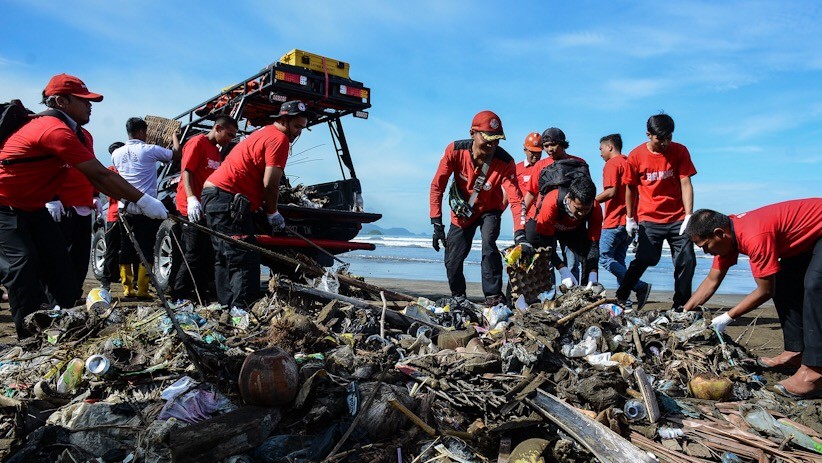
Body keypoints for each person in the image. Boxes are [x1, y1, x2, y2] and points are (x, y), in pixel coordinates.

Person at [0, 73, 167, 339]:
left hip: (32, 207)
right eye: (84, 100)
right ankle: (28, 338)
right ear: (60, 101)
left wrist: (127, 199)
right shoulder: (52, 129)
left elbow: (94, 177)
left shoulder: (78, 134)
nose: (90, 105)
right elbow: (101, 174)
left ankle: (64, 324)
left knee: (62, 268)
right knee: (23, 265)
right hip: (4, 205)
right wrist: (143, 200)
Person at [683, 201, 822, 399]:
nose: (706, 252)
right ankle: (795, 351)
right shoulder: (728, 236)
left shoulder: (754, 236)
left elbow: (765, 291)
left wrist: (726, 318)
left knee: (816, 286)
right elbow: (712, 281)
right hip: (810, 238)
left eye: (706, 246)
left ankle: (815, 373)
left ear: (719, 233)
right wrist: (684, 312)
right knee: (784, 283)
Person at [202, 100, 309, 309]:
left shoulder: (263, 132)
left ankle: (227, 307)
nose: (298, 133)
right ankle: (242, 310)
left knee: (224, 256)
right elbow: (270, 184)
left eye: (302, 128)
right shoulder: (279, 139)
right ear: (283, 120)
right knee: (245, 258)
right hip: (227, 197)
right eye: (296, 126)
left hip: (214, 195)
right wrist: (272, 212)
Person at [429, 110, 528, 305]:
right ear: (472, 133)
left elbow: (516, 199)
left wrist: (520, 235)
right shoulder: (455, 151)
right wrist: (436, 223)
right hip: (462, 214)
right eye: (488, 138)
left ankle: (492, 297)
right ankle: (459, 297)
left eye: (497, 140)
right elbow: (437, 186)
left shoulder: (505, 162)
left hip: (490, 209)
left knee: (489, 244)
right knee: (452, 260)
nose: (492, 144)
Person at [615, 113, 696, 309]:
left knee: (687, 261)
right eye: (661, 138)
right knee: (646, 258)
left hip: (677, 217)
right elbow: (630, 188)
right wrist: (630, 218)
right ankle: (622, 294)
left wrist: (689, 215)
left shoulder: (680, 151)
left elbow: (686, 182)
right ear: (649, 135)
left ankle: (680, 307)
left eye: (669, 137)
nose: (666, 142)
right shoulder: (635, 156)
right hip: (650, 218)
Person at [171, 116, 238, 302]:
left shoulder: (216, 152)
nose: (230, 139)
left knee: (206, 253)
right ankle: (179, 295)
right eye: (229, 134)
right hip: (189, 207)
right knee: (193, 253)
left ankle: (200, 294)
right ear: (217, 128)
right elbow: (187, 171)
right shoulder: (196, 143)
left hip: (206, 208)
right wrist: (192, 198)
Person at [112, 117, 181, 298]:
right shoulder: (149, 150)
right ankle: (142, 289)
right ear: (143, 132)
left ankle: (127, 288)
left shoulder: (116, 153)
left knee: (125, 247)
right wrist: (174, 137)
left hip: (124, 208)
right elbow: (176, 154)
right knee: (146, 247)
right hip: (146, 207)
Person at [523, 128, 587, 281]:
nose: (549, 149)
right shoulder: (540, 166)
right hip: (547, 219)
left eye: (553, 145)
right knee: (547, 259)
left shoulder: (578, 163)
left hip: (570, 222)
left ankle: (574, 292)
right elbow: (532, 192)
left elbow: (586, 194)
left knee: (573, 262)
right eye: (546, 146)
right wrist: (522, 216)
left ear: (562, 143)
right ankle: (550, 295)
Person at [595, 134, 651, 307]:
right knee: (619, 260)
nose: (600, 153)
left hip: (614, 220)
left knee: (604, 257)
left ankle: (639, 286)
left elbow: (611, 191)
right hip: (630, 221)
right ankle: (624, 302)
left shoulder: (612, 163)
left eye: (601, 149)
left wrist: (590, 202)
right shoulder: (629, 161)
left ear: (610, 147)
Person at [531, 176, 602, 289]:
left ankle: (586, 290)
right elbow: (546, 245)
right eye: (578, 209)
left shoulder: (595, 208)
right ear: (569, 198)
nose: (581, 214)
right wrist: (563, 270)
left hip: (572, 230)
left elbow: (593, 244)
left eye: (586, 210)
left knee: (587, 256)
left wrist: (593, 274)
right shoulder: (551, 202)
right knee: (539, 255)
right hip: (548, 227)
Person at [100, 142, 125, 292]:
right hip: (114, 216)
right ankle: (106, 280)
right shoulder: (110, 171)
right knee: (111, 249)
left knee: (127, 250)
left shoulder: (128, 169)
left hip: (126, 215)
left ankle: (127, 279)